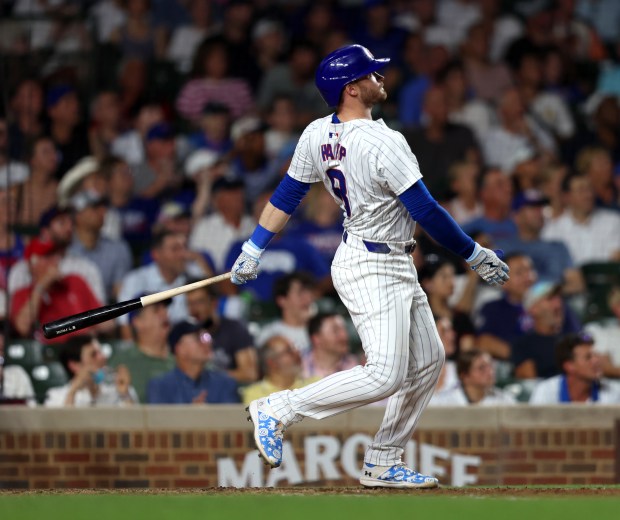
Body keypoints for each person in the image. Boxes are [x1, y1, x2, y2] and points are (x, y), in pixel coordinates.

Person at [232, 44, 509, 488]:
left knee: (429, 360)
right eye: (372, 75)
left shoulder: (316, 133)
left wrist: (254, 245)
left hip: (384, 259)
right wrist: (473, 253)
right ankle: (278, 409)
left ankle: (382, 459)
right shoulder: (385, 140)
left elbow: (286, 196)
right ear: (352, 88)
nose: (381, 78)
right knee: (384, 374)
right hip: (372, 263)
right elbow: (427, 210)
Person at [147, 320, 240, 405]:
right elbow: (160, 422)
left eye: (207, 337)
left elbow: (233, 421)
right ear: (179, 349)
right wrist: (192, 416)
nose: (207, 343)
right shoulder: (160, 387)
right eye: (198, 338)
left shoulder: (225, 384)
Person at [185, 282, 258, 384]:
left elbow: (250, 374)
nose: (194, 309)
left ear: (214, 303)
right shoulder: (185, 334)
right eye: (190, 303)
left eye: (199, 302)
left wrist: (209, 376)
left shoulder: (234, 329)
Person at [108, 297, 174, 403]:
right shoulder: (122, 361)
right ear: (138, 322)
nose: (165, 314)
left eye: (165, 309)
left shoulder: (182, 357)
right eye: (156, 310)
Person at [44, 335, 138, 407]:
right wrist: (72, 393)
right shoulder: (56, 396)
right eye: (93, 355)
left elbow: (135, 427)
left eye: (100, 352)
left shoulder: (119, 391)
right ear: (74, 365)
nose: (102, 357)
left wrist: (125, 394)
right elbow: (59, 429)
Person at [529, 332, 620, 404]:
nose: (596, 361)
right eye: (588, 357)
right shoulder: (545, 391)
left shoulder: (615, 392)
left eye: (596, 355)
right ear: (569, 366)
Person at [241, 335, 319, 406]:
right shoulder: (254, 395)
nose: (297, 353)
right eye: (289, 351)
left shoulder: (315, 385)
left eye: (294, 348)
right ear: (272, 363)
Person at [254, 271, 318, 354]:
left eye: (310, 294)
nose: (308, 300)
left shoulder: (323, 332)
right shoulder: (268, 335)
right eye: (300, 294)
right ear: (282, 300)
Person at [430, 349, 516, 406]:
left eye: (490, 365)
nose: (490, 371)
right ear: (465, 376)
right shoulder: (445, 403)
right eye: (481, 368)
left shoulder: (505, 400)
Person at [303, 312, 359, 379]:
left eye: (344, 329)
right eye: (335, 331)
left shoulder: (354, 368)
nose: (344, 335)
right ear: (316, 339)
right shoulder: (298, 363)